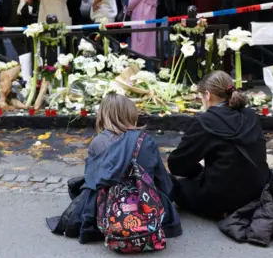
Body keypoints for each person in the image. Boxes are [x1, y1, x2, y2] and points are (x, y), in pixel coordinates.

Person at [47, 93, 182, 243]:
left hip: (108, 211)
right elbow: (161, 180)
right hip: (145, 206)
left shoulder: (98, 143)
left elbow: (92, 183)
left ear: (104, 115)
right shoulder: (146, 141)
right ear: (131, 114)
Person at [168, 71, 270, 218]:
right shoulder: (250, 115)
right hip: (257, 191)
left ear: (208, 95)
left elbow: (177, 164)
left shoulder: (206, 121)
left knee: (173, 184)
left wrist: (197, 171)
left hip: (221, 199)